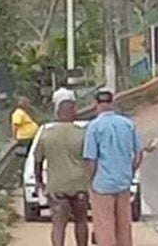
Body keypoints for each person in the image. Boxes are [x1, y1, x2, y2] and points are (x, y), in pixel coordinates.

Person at [83, 88, 143, 246]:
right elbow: (138, 153)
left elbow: (91, 159)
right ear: (112, 103)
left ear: (96, 104)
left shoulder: (94, 127)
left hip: (101, 184)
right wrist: (130, 172)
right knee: (124, 225)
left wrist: (90, 180)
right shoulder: (128, 124)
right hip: (123, 182)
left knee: (104, 226)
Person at [34, 95, 89, 246]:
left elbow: (38, 161)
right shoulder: (83, 134)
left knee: (58, 224)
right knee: (81, 221)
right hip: (79, 185)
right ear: (74, 113)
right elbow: (90, 159)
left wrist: (39, 182)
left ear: (57, 113)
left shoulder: (46, 135)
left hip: (57, 187)